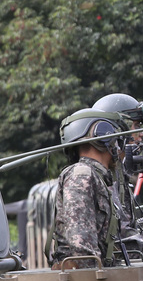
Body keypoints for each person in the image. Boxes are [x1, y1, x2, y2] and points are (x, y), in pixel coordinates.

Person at [49, 108, 126, 269]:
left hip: (96, 275)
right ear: (102, 137)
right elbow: (82, 248)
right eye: (116, 140)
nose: (119, 148)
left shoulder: (98, 178)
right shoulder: (82, 175)